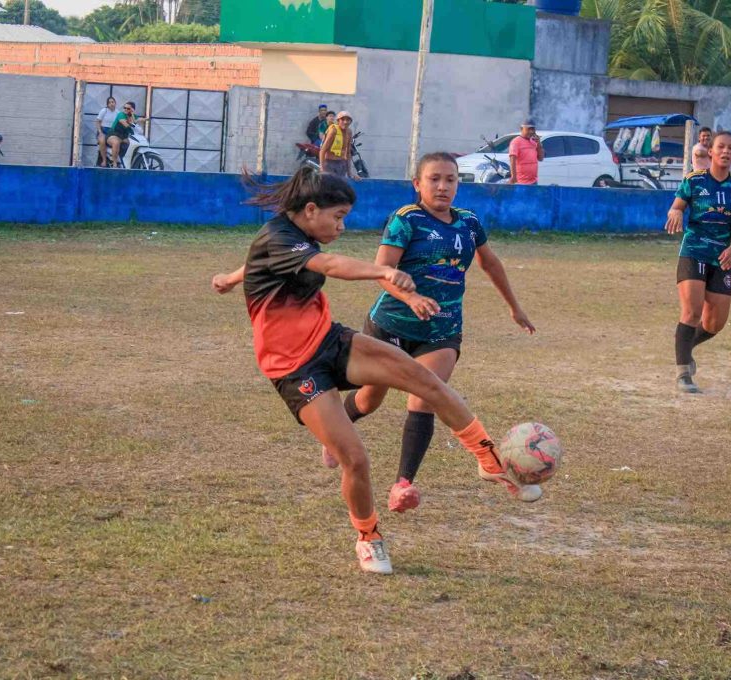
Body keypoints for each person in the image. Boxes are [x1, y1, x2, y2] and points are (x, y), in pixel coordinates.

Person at [210, 167, 535, 574]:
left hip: (330, 340)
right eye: (338, 216)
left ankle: (488, 458)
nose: (342, 226)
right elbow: (326, 264)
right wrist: (381, 271)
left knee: (424, 380)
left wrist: (232, 277)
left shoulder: (291, 237)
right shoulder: (280, 238)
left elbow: (263, 261)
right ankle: (369, 538)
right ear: (311, 210)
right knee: (355, 459)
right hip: (293, 367)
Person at [321, 152, 537, 513]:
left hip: (442, 330)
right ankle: (336, 432)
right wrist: (411, 296)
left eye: (450, 179)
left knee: (426, 396)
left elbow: (491, 263)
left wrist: (514, 307)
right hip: (389, 326)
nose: (442, 186)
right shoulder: (406, 220)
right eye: (434, 178)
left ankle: (403, 485)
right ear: (417, 184)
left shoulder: (468, 223)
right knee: (370, 398)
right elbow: (382, 269)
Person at [665, 131, 731, 393]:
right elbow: (677, 206)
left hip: (722, 256)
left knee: (716, 323)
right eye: (721, 147)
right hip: (694, 250)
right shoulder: (694, 180)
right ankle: (683, 374)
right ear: (711, 152)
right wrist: (675, 212)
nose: (726, 152)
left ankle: (686, 346)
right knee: (691, 312)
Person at [319, 111, 356, 179]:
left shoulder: (349, 132)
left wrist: (349, 173)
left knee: (340, 187)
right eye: (342, 119)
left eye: (348, 120)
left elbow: (348, 153)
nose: (345, 122)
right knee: (330, 187)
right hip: (330, 164)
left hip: (341, 164)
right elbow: (322, 150)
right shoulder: (333, 130)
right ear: (338, 121)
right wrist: (322, 169)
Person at [106, 101, 143, 168]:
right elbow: (125, 124)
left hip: (123, 136)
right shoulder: (121, 114)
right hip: (114, 134)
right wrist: (131, 126)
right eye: (124, 108)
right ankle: (114, 163)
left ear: (132, 109)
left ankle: (125, 160)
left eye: (128, 108)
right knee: (116, 142)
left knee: (132, 144)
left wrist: (147, 119)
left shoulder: (133, 116)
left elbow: (138, 120)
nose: (125, 109)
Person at [509, 119, 544, 185]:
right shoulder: (516, 142)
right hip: (521, 182)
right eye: (528, 129)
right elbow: (512, 160)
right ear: (521, 129)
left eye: (533, 129)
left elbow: (541, 158)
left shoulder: (534, 142)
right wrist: (513, 177)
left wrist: (539, 144)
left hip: (534, 182)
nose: (531, 131)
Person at [95, 96, 118, 168]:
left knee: (116, 142)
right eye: (109, 102)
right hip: (103, 130)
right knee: (102, 141)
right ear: (107, 104)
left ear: (115, 103)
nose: (111, 104)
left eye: (112, 102)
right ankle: (104, 160)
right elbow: (98, 121)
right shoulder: (104, 111)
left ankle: (115, 162)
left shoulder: (118, 113)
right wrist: (100, 131)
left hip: (112, 131)